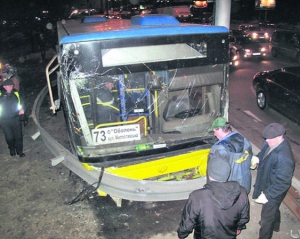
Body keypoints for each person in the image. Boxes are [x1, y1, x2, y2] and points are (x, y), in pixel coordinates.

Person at [177, 145, 250, 239]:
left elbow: (188, 221)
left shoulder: (197, 196)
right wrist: (239, 227)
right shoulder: (241, 192)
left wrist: (181, 234)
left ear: (209, 173)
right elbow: (244, 217)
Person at [252, 123, 295, 239]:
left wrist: (267, 195)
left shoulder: (285, 158)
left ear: (280, 136)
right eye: (266, 139)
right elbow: (264, 153)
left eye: (270, 139)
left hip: (273, 191)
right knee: (274, 209)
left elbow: (283, 183)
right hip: (268, 183)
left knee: (266, 219)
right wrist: (257, 157)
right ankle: (275, 225)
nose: (267, 142)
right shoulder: (270, 142)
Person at [209, 117, 252, 194]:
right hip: (245, 184)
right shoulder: (243, 138)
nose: (214, 134)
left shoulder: (219, 149)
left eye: (214, 131)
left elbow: (217, 175)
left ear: (219, 129)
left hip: (231, 189)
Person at [0, 79, 26, 157]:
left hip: (15, 118)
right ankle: (12, 149)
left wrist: (22, 109)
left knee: (18, 136)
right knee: (9, 137)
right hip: (4, 120)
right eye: (7, 86)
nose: (9, 88)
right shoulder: (0, 94)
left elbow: (21, 103)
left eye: (11, 86)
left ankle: (19, 151)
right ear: (4, 86)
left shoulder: (16, 93)